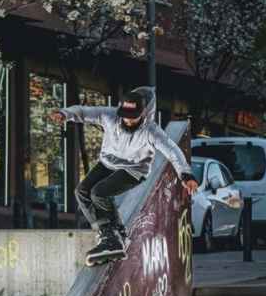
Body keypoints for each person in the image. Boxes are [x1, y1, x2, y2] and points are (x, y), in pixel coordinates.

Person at [50, 87, 198, 265]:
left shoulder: (151, 131)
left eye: (133, 116)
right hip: (107, 164)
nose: (128, 120)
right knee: (81, 191)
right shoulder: (109, 116)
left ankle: (114, 236)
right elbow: (84, 112)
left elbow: (172, 151)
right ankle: (109, 234)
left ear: (143, 113)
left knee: (99, 192)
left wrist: (186, 174)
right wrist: (65, 113)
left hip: (133, 170)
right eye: (125, 115)